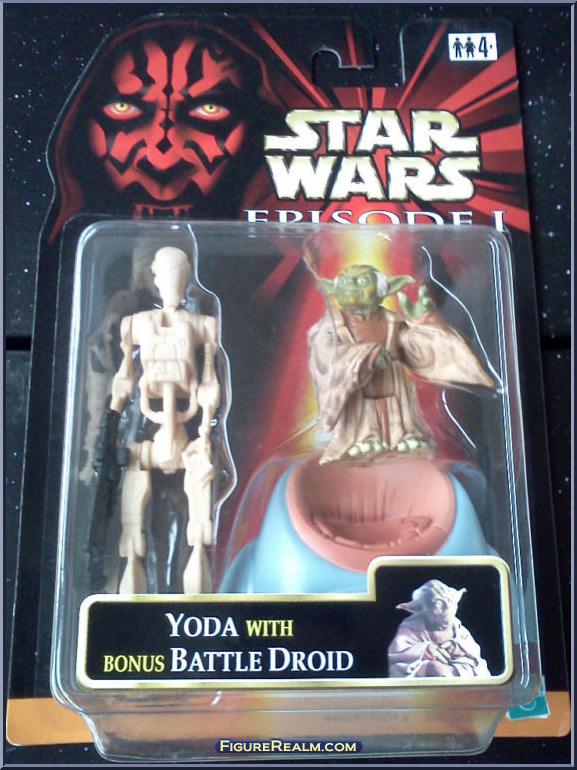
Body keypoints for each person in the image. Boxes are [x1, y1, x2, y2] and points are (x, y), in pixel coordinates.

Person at [388, 579, 490, 678]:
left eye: (451, 601)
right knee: (434, 668)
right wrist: (423, 650)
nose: (448, 607)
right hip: (422, 673)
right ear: (419, 608)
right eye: (438, 603)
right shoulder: (411, 628)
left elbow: (474, 652)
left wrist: (458, 647)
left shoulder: (457, 627)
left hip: (457, 670)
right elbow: (395, 656)